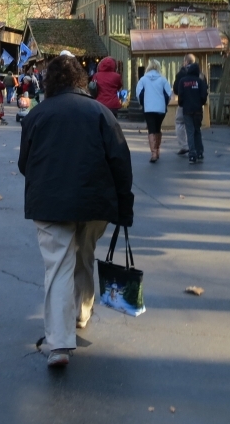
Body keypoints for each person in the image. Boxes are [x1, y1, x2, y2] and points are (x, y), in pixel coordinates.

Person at [18, 54, 133, 369]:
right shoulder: (100, 113)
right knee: (84, 255)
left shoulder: (36, 116)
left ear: (49, 82)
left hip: (49, 202)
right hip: (95, 200)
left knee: (58, 268)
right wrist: (125, 206)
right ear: (83, 81)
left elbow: (24, 164)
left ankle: (58, 344)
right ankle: (82, 312)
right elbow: (121, 162)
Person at [135, 60, 173, 162]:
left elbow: (139, 94)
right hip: (160, 108)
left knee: (151, 129)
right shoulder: (163, 80)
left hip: (148, 108)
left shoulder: (143, 80)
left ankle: (154, 153)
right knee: (158, 128)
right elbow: (169, 94)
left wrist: (143, 103)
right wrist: (165, 103)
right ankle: (158, 149)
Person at [174, 62, 208, 163]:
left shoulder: (183, 81)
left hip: (187, 110)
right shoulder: (200, 81)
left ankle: (192, 154)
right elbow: (203, 96)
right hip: (197, 110)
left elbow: (180, 96)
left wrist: (182, 104)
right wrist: (200, 102)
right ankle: (200, 151)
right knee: (197, 130)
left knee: (190, 131)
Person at [173, 54, 197, 156]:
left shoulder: (181, 74)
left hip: (184, 104)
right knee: (195, 126)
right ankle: (196, 147)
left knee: (179, 122)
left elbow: (176, 89)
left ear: (186, 62)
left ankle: (184, 145)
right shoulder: (199, 73)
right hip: (197, 103)